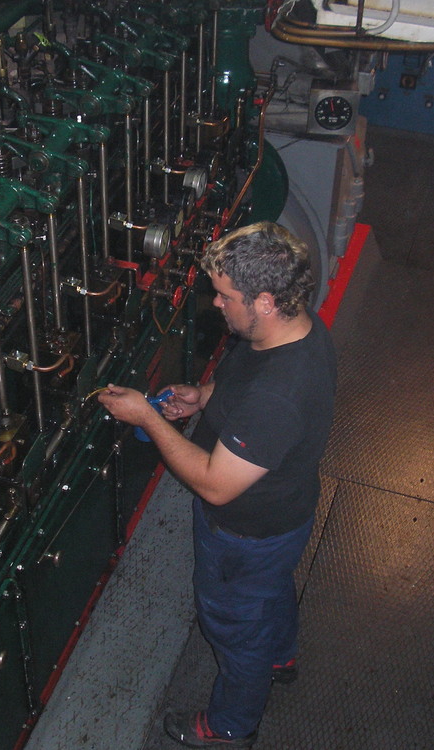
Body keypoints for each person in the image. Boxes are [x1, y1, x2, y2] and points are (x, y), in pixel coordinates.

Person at [98, 221, 336, 749]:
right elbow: (245, 387)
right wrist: (204, 397)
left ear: (267, 301)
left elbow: (215, 485)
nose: (216, 306)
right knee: (269, 593)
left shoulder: (279, 396)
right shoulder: (293, 332)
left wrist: (148, 416)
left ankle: (231, 727)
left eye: (226, 297)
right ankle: (282, 655)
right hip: (282, 521)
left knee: (234, 628)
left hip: (244, 535)